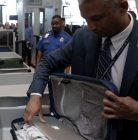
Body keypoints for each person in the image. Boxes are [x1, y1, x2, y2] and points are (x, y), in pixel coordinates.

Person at [24, 0, 138, 139]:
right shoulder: (82, 37)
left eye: (96, 18)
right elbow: (47, 62)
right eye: (85, 19)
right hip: (82, 130)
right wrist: (36, 96)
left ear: (122, 7)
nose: (90, 27)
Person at [35, 15, 71, 114]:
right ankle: (39, 112)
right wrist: (37, 67)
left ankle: (55, 112)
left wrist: (66, 73)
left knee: (56, 93)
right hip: (44, 70)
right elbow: (39, 52)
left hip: (58, 71)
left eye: (57, 23)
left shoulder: (67, 38)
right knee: (38, 91)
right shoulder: (46, 36)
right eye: (53, 23)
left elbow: (69, 57)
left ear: (61, 24)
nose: (54, 25)